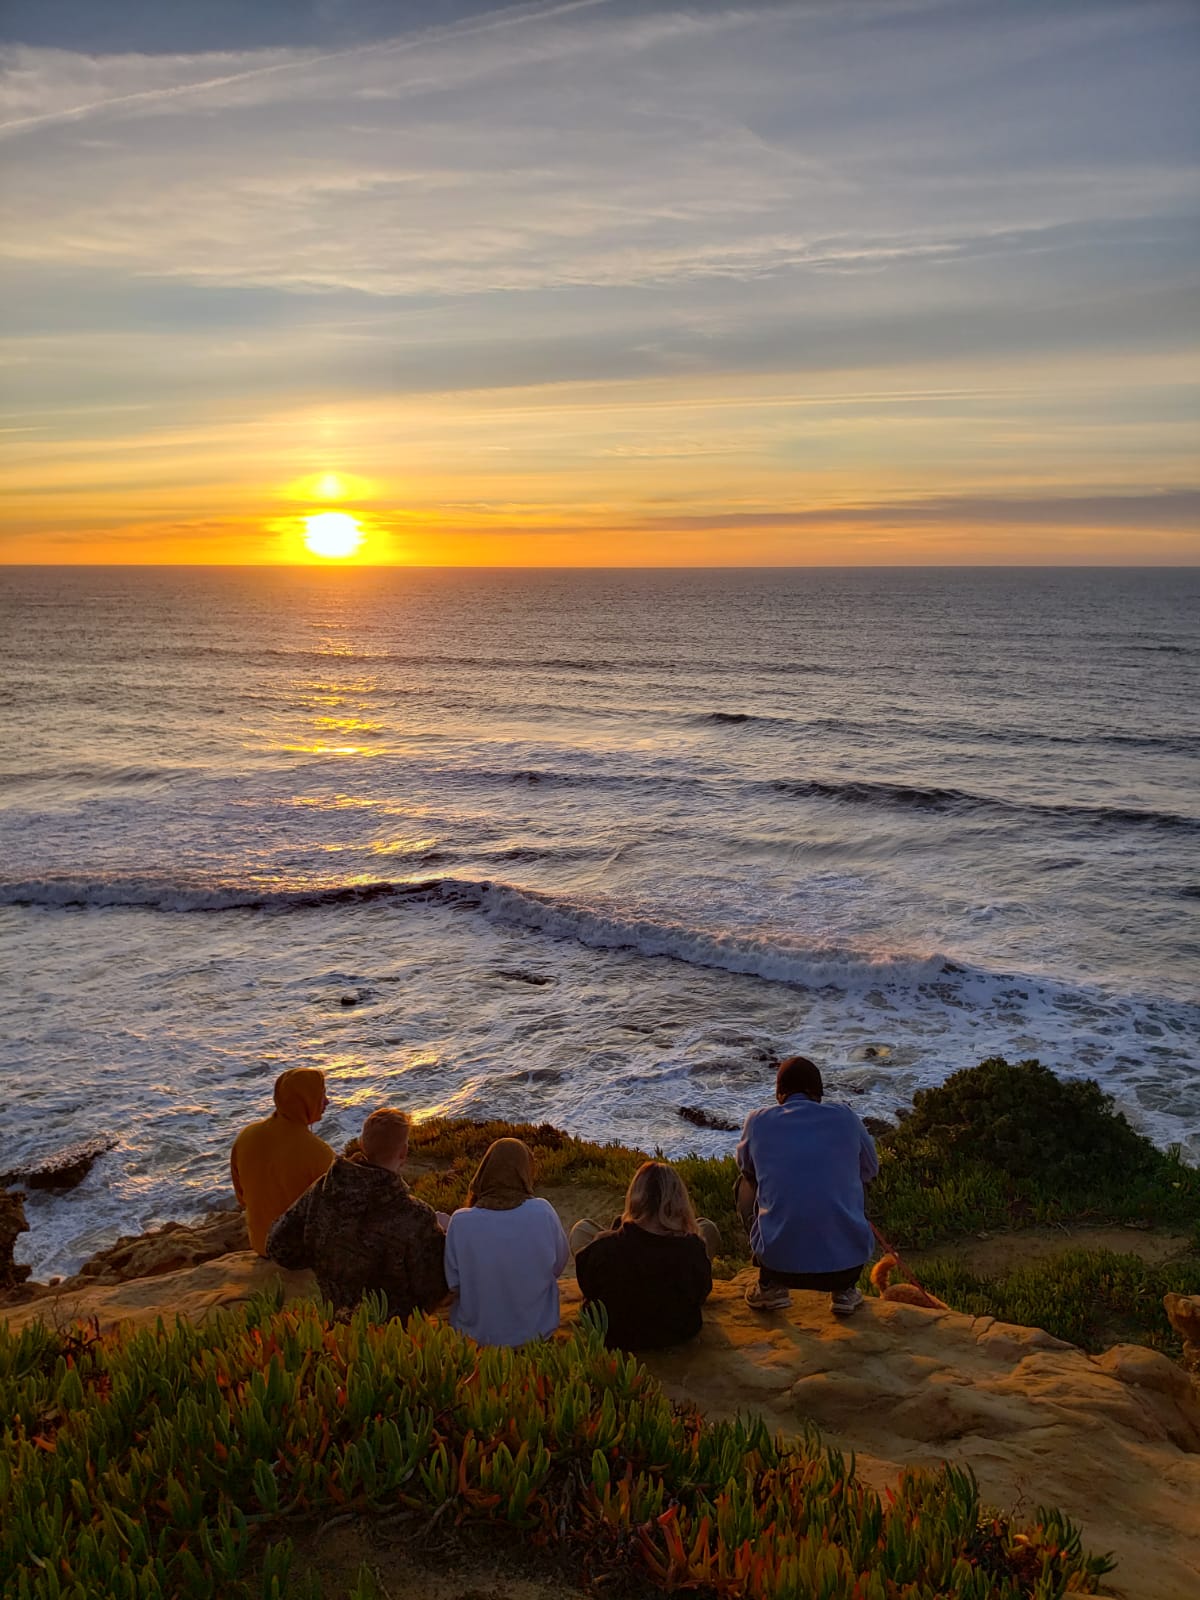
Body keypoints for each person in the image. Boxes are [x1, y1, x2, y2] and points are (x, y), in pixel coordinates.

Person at [265, 1106, 447, 1320]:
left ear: (362, 1144)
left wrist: (323, 1260)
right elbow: (434, 1289)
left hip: (336, 1323)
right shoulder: (415, 1215)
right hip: (395, 1335)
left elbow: (277, 1245)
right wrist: (443, 1237)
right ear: (403, 1153)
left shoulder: (324, 1189)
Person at [736, 1055, 878, 1315]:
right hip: (845, 1266)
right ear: (819, 1094)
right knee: (860, 1181)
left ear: (779, 1094)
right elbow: (870, 1169)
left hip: (779, 1263)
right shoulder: (846, 1117)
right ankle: (845, 1291)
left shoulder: (757, 1121)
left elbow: (746, 1168)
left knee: (744, 1183)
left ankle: (770, 1286)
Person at [572, 1161, 716, 1350]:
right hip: (678, 1333)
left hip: (616, 1334)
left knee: (582, 1229)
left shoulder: (603, 1249)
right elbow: (701, 1293)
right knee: (706, 1227)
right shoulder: (692, 1249)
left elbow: (588, 1286)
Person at [443, 1138, 570, 1347]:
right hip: (537, 1332)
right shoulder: (542, 1211)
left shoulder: (460, 1221)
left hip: (477, 1336)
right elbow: (558, 1265)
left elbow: (454, 1283)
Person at [230, 1066, 335, 1255]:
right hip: (299, 1253)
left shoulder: (246, 1136)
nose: (327, 1101)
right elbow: (334, 1211)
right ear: (306, 1101)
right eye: (321, 1095)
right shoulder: (319, 1152)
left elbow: (242, 1198)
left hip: (262, 1245)